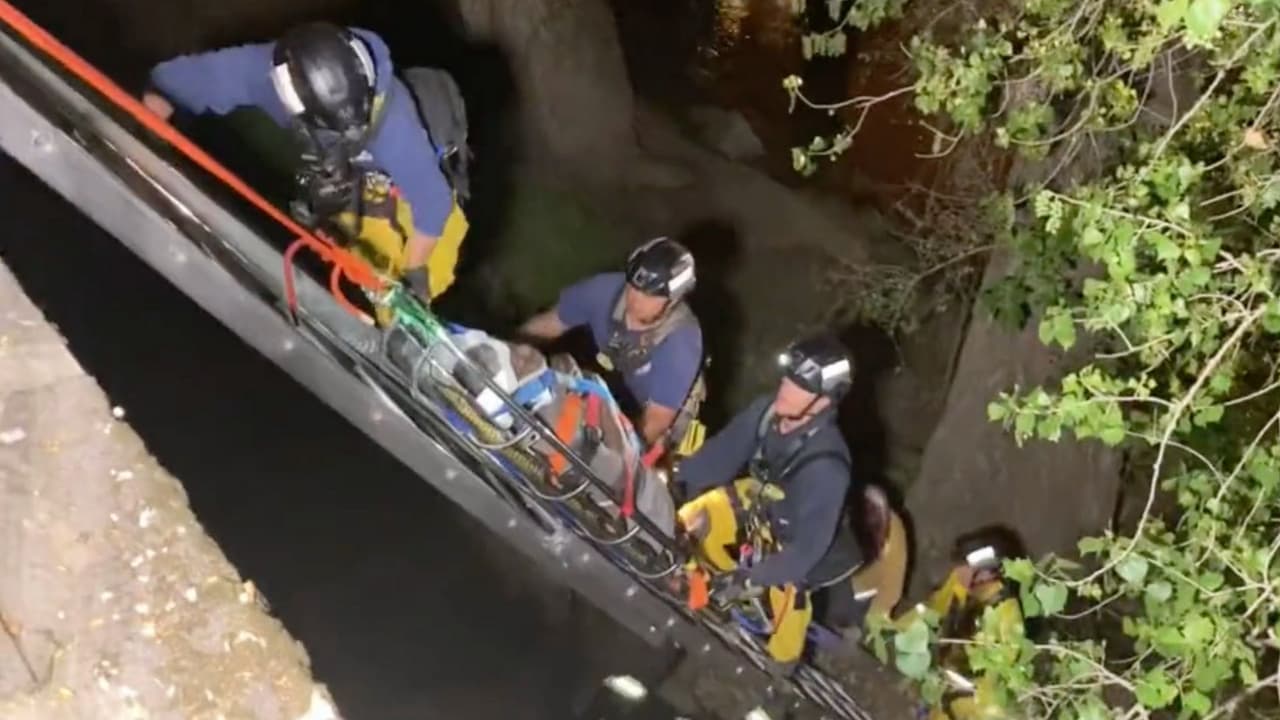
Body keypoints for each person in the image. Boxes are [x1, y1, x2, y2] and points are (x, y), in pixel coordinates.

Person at [140, 21, 469, 303]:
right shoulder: (263, 74)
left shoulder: (393, 123)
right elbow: (173, 83)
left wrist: (414, 273)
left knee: (433, 269)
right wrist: (147, 139)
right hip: (351, 172)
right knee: (358, 257)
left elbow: (433, 202)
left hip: (406, 172)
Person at [673, 332, 856, 666]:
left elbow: (804, 553)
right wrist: (677, 483)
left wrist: (749, 579)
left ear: (824, 402)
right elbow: (718, 456)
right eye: (788, 378)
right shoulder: (767, 413)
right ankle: (683, 582)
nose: (786, 388)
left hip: (797, 542)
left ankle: (777, 671)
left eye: (801, 386)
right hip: (761, 506)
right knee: (693, 514)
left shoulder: (826, 467)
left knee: (789, 595)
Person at [518, 238, 706, 456]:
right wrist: (510, 354)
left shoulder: (682, 342)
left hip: (658, 418)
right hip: (613, 387)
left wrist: (607, 455)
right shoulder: (605, 291)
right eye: (633, 285)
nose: (635, 298)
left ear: (672, 301)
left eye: (650, 294)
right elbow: (547, 324)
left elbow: (655, 424)